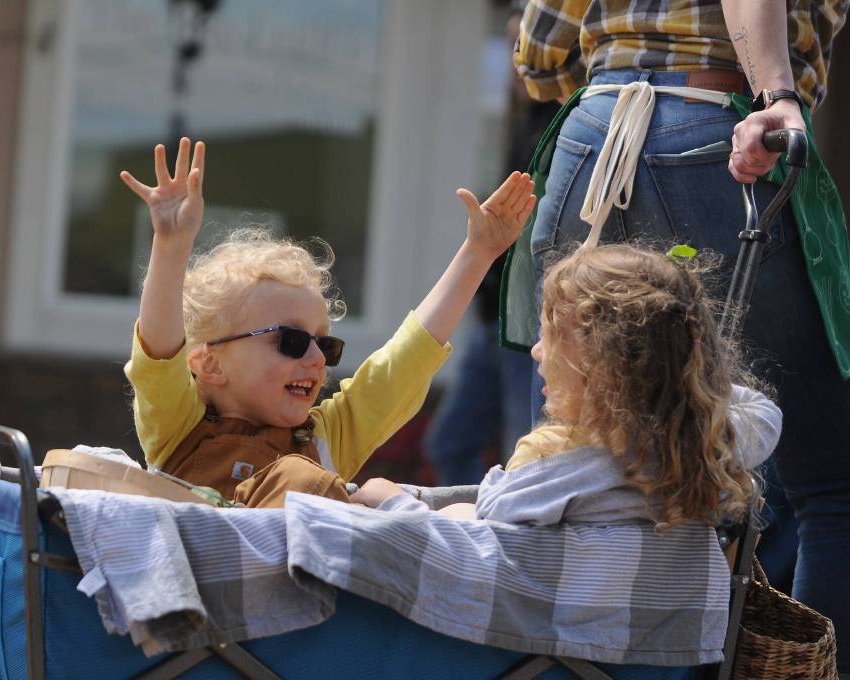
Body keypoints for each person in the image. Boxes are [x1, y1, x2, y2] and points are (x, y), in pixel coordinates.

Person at [512, 0, 850, 668]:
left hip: (594, 130)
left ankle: (549, 668)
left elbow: (539, 50)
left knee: (556, 460)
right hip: (720, 128)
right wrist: (778, 92)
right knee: (833, 488)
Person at [119, 138, 536, 507]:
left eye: (326, 344)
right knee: (302, 480)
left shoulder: (325, 438)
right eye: (293, 341)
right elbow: (158, 354)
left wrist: (478, 253)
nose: (319, 358)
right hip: (206, 587)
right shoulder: (176, 425)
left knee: (309, 480)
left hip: (299, 590)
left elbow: (406, 361)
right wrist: (170, 246)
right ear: (210, 365)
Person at [353, 244, 781, 537]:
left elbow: (476, 543)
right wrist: (675, 369)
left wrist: (394, 503)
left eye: (549, 338)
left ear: (599, 364)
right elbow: (762, 410)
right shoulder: (709, 449)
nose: (536, 352)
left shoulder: (561, 479)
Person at [423, 5, 559, 486]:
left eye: (522, 47)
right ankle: (483, 529)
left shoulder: (564, 123)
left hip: (530, 319)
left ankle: (509, 545)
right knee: (448, 442)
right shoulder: (520, 118)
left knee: (524, 455)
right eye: (509, 48)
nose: (515, 61)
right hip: (492, 314)